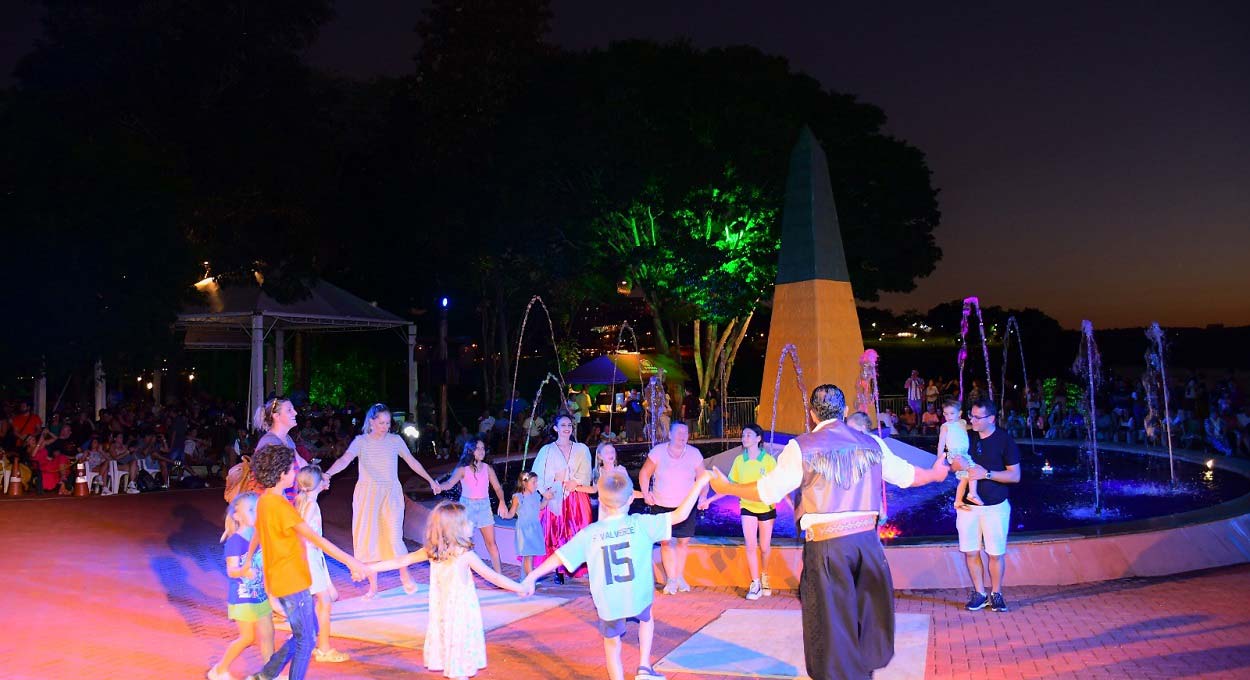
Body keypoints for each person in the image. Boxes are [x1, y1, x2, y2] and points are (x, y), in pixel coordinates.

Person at [708, 384, 951, 680]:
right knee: (866, 623)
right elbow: (909, 476)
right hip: (867, 546)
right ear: (845, 411)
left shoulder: (801, 447)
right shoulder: (872, 443)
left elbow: (767, 491)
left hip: (826, 549)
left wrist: (726, 487)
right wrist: (936, 474)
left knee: (831, 630)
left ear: (812, 414)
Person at [521, 468, 711, 680]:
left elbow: (560, 557)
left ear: (601, 501)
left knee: (612, 646)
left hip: (609, 603)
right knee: (647, 619)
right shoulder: (641, 524)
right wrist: (700, 482)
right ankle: (644, 667)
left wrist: (532, 577)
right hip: (638, 596)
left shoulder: (590, 534)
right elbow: (680, 515)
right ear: (630, 499)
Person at [243, 444, 366, 680]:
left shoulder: (265, 501)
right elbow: (316, 540)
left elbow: (258, 533)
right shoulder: (282, 507)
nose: (295, 473)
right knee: (306, 640)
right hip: (292, 580)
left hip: (283, 578)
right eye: (292, 469)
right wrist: (351, 561)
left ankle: (265, 674)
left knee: (308, 630)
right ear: (281, 474)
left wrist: (249, 560)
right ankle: (268, 675)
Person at [367, 501, 527, 680]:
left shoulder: (433, 551)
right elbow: (494, 577)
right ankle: (458, 673)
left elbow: (401, 561)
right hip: (461, 612)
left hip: (442, 611)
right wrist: (519, 587)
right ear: (456, 529)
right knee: (459, 645)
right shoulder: (465, 555)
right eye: (467, 522)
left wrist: (369, 568)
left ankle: (456, 671)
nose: (472, 524)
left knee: (450, 642)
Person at [324, 403, 442, 598]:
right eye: (381, 423)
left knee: (394, 536)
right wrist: (328, 474)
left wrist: (430, 480)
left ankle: (405, 576)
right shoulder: (361, 441)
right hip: (367, 495)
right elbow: (345, 460)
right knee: (368, 539)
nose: (385, 427)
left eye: (388, 423)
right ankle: (373, 587)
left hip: (391, 494)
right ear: (371, 422)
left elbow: (412, 461)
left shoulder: (395, 440)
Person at [955, 400, 1021, 614]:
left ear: (991, 418)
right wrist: (955, 464)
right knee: (971, 552)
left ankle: (996, 593)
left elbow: (1015, 475)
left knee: (995, 554)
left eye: (977, 417)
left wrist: (987, 474)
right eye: (971, 415)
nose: (972, 420)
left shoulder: (1005, 440)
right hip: (967, 508)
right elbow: (954, 465)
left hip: (995, 506)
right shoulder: (967, 437)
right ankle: (979, 593)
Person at [701, 423, 778, 600]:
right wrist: (709, 500)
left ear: (758, 439)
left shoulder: (768, 461)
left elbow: (776, 485)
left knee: (764, 547)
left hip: (766, 507)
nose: (744, 438)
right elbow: (729, 487)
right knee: (750, 545)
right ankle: (755, 583)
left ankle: (765, 574)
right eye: (743, 435)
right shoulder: (739, 461)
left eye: (749, 435)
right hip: (747, 507)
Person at [207, 492, 274, 680]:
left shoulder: (258, 536)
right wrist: (245, 570)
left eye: (258, 509)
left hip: (260, 595)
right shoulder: (235, 541)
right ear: (237, 516)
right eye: (251, 510)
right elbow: (231, 571)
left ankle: (270, 674)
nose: (256, 513)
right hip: (243, 597)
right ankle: (219, 669)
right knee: (247, 638)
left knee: (268, 634)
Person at [639, 420, 708, 594]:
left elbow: (703, 478)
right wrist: (646, 494)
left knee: (683, 542)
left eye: (685, 433)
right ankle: (671, 579)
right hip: (661, 504)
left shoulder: (694, 454)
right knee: (665, 542)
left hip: (686, 506)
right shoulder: (658, 452)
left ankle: (679, 576)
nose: (682, 436)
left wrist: (703, 496)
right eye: (678, 432)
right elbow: (645, 473)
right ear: (670, 434)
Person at [293, 466, 350, 664]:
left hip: (312, 556)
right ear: (317, 484)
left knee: (324, 598)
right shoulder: (311, 505)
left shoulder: (304, 501)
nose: (328, 479)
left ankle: (308, 640)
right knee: (324, 601)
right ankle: (323, 648)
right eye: (323, 478)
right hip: (309, 556)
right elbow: (302, 533)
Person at [530, 413, 593, 584]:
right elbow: (537, 474)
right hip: (555, 496)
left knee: (576, 532)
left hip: (576, 496)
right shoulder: (547, 450)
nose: (567, 428)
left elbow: (586, 472)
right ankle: (558, 569)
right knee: (555, 532)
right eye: (563, 425)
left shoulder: (581, 449)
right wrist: (544, 492)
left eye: (569, 425)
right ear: (556, 428)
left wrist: (576, 481)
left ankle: (576, 566)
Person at [440, 437, 508, 574]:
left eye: (483, 448)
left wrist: (502, 502)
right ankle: (462, 574)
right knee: (465, 544)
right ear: (470, 450)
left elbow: (497, 488)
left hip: (484, 506)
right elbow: (449, 483)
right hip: (467, 507)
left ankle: (499, 575)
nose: (482, 451)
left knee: (491, 543)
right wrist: (438, 486)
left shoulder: (487, 468)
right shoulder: (462, 469)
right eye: (478, 448)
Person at [499, 470, 550, 577]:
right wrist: (505, 515)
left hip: (534, 528)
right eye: (533, 482)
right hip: (524, 530)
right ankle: (530, 579)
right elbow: (512, 513)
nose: (536, 485)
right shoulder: (518, 497)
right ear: (524, 483)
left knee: (530, 555)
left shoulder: (536, 495)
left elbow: (540, 507)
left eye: (536, 482)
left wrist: (546, 499)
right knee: (528, 555)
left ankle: (524, 578)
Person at [938, 399, 980, 505]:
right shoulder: (945, 426)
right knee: (973, 470)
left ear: (959, 413)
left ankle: (958, 501)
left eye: (952, 413)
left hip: (964, 453)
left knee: (964, 478)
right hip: (956, 454)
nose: (949, 416)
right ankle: (973, 494)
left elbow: (970, 427)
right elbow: (941, 443)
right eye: (946, 414)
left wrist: (977, 425)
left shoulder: (962, 422)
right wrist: (940, 459)